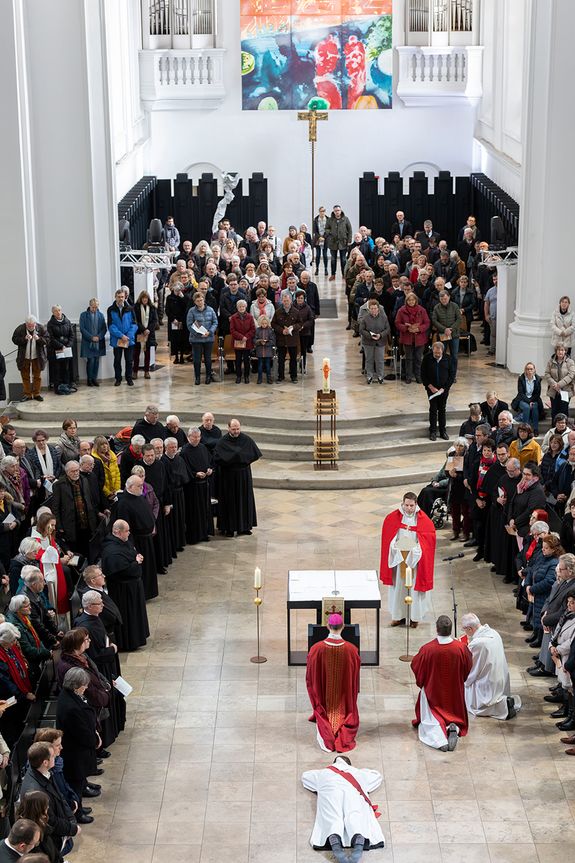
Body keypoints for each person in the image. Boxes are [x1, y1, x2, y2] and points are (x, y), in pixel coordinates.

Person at [301, 756, 385, 862]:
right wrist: (359, 771)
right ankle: (358, 836)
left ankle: (334, 837)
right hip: (353, 792)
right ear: (349, 764)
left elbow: (305, 777)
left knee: (333, 816)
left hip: (331, 790)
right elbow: (377, 776)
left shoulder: (322, 773)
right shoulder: (360, 773)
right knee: (354, 814)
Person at [411, 615, 472, 751]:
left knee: (431, 720)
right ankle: (454, 727)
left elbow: (416, 666)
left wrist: (423, 682)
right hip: (454, 691)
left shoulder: (427, 649)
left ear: (437, 629)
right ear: (450, 630)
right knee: (453, 713)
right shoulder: (461, 648)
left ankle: (439, 740)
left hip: (434, 691)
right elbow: (468, 666)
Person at [379, 492, 436, 627]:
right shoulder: (393, 518)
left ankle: (414, 617)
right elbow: (389, 539)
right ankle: (398, 616)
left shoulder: (424, 520)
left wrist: (416, 550)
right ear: (402, 504)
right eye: (406, 505)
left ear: (416, 504)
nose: (409, 508)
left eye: (411, 505)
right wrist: (395, 548)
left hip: (416, 560)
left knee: (414, 590)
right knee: (399, 587)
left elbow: (428, 541)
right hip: (399, 559)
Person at [306, 614, 360, 753]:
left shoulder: (316, 649)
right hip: (344, 696)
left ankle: (327, 723)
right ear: (343, 626)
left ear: (327, 626)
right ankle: (341, 723)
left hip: (324, 695)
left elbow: (310, 677)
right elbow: (354, 676)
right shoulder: (352, 650)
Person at [18, 743, 79, 851]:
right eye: (52, 756)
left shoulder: (43, 771)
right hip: (50, 840)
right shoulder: (37, 793)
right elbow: (50, 821)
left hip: (60, 822)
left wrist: (71, 818)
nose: (56, 755)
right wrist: (72, 829)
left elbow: (60, 796)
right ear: (45, 762)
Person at [56, 667, 99, 814]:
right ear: (75, 686)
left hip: (74, 749)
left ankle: (79, 806)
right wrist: (94, 740)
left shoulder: (67, 695)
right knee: (76, 783)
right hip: (75, 752)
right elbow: (82, 734)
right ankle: (78, 811)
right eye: (84, 685)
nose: (86, 687)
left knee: (78, 781)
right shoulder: (71, 708)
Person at [100, 520, 149, 651]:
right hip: (123, 591)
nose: (129, 533)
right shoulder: (111, 551)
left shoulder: (123, 542)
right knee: (128, 618)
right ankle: (129, 642)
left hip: (132, 588)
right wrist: (136, 562)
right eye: (127, 530)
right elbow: (121, 570)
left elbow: (131, 553)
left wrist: (136, 557)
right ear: (117, 532)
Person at [461, 613, 520, 719]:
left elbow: (473, 669)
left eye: (464, 629)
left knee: (464, 692)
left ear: (469, 628)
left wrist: (464, 680)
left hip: (487, 683)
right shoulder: (493, 633)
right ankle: (503, 702)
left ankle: (502, 705)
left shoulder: (478, 644)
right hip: (500, 679)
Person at [213, 420, 261, 537]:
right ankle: (228, 528)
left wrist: (239, 457)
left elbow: (253, 454)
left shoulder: (246, 439)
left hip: (243, 475)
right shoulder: (222, 442)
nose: (236, 431)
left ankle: (244, 527)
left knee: (244, 500)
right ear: (228, 428)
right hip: (228, 477)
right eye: (233, 429)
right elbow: (217, 458)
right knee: (229, 502)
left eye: (238, 429)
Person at [114, 475, 158, 600]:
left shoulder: (139, 497)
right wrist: (131, 546)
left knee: (149, 568)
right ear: (130, 487)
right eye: (139, 486)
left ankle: (150, 592)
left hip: (147, 538)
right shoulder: (124, 503)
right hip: (137, 541)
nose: (142, 488)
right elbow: (125, 527)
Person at [5, 595, 50, 684]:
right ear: (18, 609)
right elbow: (27, 650)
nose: (30, 607)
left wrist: (44, 650)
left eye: (29, 604)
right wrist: (46, 653)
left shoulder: (24, 617)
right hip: (31, 664)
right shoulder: (16, 626)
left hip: (37, 657)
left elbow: (35, 637)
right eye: (26, 606)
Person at [180, 429, 214, 545]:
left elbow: (210, 462)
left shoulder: (203, 448)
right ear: (189, 437)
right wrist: (195, 474)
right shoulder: (184, 451)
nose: (196, 439)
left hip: (204, 486)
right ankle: (194, 536)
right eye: (194, 437)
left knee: (205, 510)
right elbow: (184, 469)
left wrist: (210, 469)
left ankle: (204, 533)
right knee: (194, 512)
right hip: (192, 488)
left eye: (198, 437)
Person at [420, 342, 455, 441]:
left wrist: (444, 388)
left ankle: (443, 431)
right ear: (433, 350)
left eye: (439, 353)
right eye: (435, 353)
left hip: (443, 390)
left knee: (442, 409)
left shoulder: (448, 359)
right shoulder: (427, 358)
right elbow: (423, 374)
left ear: (442, 351)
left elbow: (452, 376)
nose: (437, 355)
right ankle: (433, 431)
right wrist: (430, 387)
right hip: (432, 389)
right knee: (433, 409)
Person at [15, 791, 60, 863]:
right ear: (38, 808)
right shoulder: (29, 831)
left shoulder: (40, 822)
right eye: (46, 805)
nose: (48, 807)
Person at [12, 315, 49, 402]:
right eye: (29, 326)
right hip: (24, 357)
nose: (31, 327)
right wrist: (24, 339)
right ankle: (27, 394)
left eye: (33, 325)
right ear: (26, 324)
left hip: (37, 357)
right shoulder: (20, 329)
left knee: (37, 376)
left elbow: (47, 340)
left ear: (35, 324)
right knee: (25, 376)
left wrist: (39, 339)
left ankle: (36, 394)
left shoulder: (41, 328)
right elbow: (14, 339)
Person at [395, 293, 430, 384]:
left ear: (416, 301)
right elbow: (397, 323)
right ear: (406, 301)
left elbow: (427, 323)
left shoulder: (422, 310)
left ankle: (418, 376)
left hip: (420, 338)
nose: (411, 302)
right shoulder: (401, 310)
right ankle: (408, 376)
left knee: (418, 358)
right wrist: (407, 328)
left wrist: (419, 328)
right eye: (409, 300)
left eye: (413, 300)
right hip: (407, 338)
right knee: (408, 358)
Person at [107, 288, 137, 387]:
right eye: (119, 297)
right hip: (117, 339)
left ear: (125, 297)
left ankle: (129, 378)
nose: (121, 299)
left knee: (129, 360)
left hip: (128, 339)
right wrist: (121, 335)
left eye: (122, 297)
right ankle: (118, 379)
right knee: (117, 360)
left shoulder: (130, 308)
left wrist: (127, 336)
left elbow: (134, 324)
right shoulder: (111, 309)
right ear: (115, 297)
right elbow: (111, 326)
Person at [186, 293, 218, 386]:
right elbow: (189, 324)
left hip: (208, 338)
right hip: (196, 339)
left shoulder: (210, 310)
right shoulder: (191, 311)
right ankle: (197, 377)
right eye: (197, 301)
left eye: (201, 300)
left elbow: (215, 322)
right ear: (194, 302)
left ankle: (208, 376)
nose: (200, 302)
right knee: (197, 359)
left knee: (208, 359)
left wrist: (210, 332)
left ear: (204, 300)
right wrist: (198, 333)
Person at [272, 293, 302, 384]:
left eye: (287, 301)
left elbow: (300, 323)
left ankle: (294, 377)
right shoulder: (277, 312)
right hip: (281, 339)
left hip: (292, 339)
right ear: (282, 301)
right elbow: (273, 324)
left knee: (293, 359)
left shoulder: (296, 311)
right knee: (281, 359)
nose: (286, 302)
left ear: (291, 301)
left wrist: (292, 327)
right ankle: (280, 376)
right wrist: (281, 330)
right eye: (284, 301)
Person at [358, 299, 389, 385]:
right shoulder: (365, 318)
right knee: (369, 359)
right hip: (368, 342)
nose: (373, 310)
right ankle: (369, 376)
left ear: (378, 309)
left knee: (379, 360)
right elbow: (361, 330)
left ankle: (380, 376)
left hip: (380, 341)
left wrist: (381, 335)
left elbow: (387, 329)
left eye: (375, 308)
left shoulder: (384, 318)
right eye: (371, 308)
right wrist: (370, 336)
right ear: (369, 309)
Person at [46, 305, 75, 396]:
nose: (58, 312)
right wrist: (61, 346)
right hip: (56, 350)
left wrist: (68, 345)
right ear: (53, 313)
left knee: (66, 369)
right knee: (57, 370)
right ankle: (58, 388)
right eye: (55, 311)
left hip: (66, 349)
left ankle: (66, 386)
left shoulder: (67, 321)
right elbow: (51, 338)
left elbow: (72, 335)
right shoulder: (50, 324)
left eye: (59, 310)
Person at [431, 290, 461, 376]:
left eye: (445, 298)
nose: (444, 300)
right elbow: (434, 320)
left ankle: (453, 374)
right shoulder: (436, 307)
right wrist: (444, 329)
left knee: (454, 356)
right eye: (442, 299)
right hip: (442, 334)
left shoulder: (455, 306)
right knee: (442, 355)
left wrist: (451, 329)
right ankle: (443, 373)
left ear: (449, 297)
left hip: (454, 334)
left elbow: (459, 319)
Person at [79, 297, 107, 387]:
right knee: (90, 361)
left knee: (96, 361)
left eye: (96, 307)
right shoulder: (83, 315)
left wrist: (99, 337)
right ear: (89, 306)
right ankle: (89, 379)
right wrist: (91, 337)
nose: (94, 309)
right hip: (88, 342)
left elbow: (104, 328)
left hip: (99, 342)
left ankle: (94, 379)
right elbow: (82, 329)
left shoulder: (101, 315)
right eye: (93, 307)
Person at [511, 362, 544, 434]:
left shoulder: (538, 379)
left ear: (534, 370)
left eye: (531, 369)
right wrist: (529, 402)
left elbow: (537, 394)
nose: (529, 371)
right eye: (527, 369)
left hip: (534, 399)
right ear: (525, 370)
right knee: (527, 407)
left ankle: (535, 429)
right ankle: (525, 429)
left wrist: (531, 401)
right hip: (523, 399)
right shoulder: (521, 378)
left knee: (535, 407)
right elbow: (521, 393)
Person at [544, 344, 575, 421]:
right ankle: (554, 429)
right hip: (553, 390)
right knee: (554, 411)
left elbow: (571, 375)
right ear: (556, 351)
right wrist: (554, 384)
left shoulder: (570, 362)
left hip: (566, 390)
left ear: (565, 351)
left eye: (562, 350)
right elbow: (547, 374)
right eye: (558, 350)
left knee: (564, 411)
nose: (560, 352)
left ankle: (564, 430)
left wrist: (559, 384)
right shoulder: (550, 361)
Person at [132, 290, 158, 380]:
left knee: (147, 353)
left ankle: (147, 371)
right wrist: (143, 329)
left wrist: (148, 330)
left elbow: (155, 320)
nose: (145, 300)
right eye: (143, 298)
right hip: (139, 333)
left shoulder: (152, 308)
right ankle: (135, 371)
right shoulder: (135, 308)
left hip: (149, 334)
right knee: (136, 353)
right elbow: (135, 321)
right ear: (140, 298)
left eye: (146, 298)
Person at [229, 299, 256, 384]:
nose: (241, 308)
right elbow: (232, 330)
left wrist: (246, 337)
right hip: (238, 341)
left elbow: (253, 329)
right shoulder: (233, 317)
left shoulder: (250, 317)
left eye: (243, 306)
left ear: (246, 307)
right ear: (237, 307)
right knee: (238, 360)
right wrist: (241, 337)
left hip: (247, 342)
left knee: (247, 360)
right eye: (240, 306)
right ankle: (238, 376)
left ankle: (246, 376)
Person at [326, 205, 353, 280]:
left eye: (338, 210)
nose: (337, 212)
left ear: (340, 211)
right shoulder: (330, 219)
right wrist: (330, 232)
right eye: (335, 211)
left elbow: (350, 230)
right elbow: (326, 228)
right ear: (333, 211)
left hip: (343, 242)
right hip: (333, 242)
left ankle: (344, 274)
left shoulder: (346, 219)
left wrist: (349, 241)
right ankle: (333, 275)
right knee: (333, 259)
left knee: (343, 259)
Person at [312, 206, 329, 276]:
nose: (323, 212)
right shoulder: (315, 219)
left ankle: (326, 269)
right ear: (319, 212)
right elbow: (314, 230)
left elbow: (329, 229)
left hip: (326, 239)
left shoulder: (328, 219)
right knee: (318, 255)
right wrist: (319, 237)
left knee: (325, 255)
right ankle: (317, 268)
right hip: (318, 239)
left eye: (324, 211)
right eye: (321, 211)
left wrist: (324, 237)